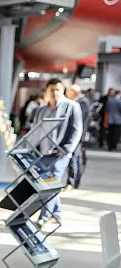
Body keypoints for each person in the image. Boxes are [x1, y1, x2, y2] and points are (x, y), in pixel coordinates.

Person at [30, 78, 83, 228]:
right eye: (51, 89)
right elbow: (35, 130)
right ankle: (56, 214)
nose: (55, 92)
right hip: (42, 153)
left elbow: (76, 130)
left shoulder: (72, 106)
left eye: (58, 89)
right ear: (46, 91)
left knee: (49, 184)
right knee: (47, 184)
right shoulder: (41, 110)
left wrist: (66, 150)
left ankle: (44, 217)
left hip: (60, 154)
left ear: (63, 90)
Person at [65, 84, 90, 190]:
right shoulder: (83, 102)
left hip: (77, 135)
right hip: (79, 135)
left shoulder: (81, 103)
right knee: (77, 158)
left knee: (74, 158)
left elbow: (78, 121)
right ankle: (75, 182)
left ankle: (72, 181)